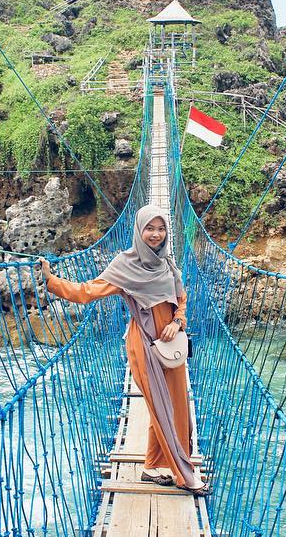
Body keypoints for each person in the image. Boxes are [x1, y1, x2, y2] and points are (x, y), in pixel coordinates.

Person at [40, 204, 210, 496]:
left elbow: (181, 299)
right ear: (138, 230)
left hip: (171, 345)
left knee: (178, 407)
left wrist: (179, 322)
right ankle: (186, 476)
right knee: (161, 406)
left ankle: (152, 466)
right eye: (149, 228)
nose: (155, 234)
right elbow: (87, 292)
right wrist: (51, 281)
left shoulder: (167, 265)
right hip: (144, 344)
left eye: (161, 228)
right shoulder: (124, 264)